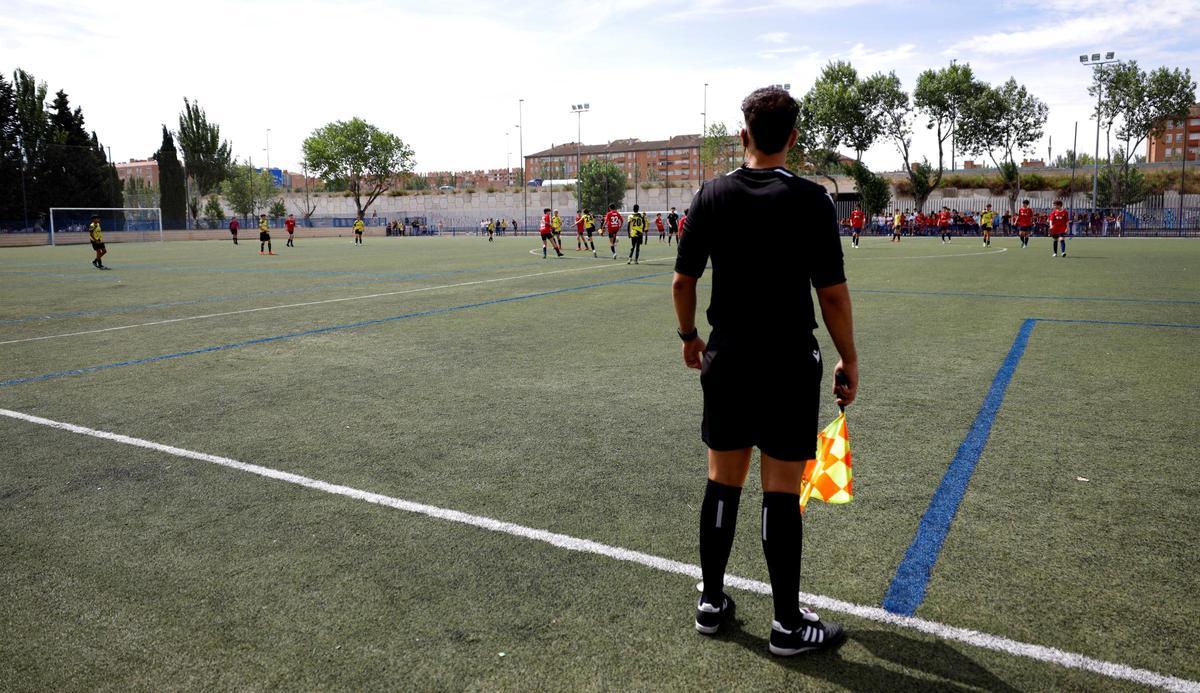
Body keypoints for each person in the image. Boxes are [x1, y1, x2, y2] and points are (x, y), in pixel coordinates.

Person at [672, 86, 855, 657]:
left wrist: (689, 337)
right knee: (779, 489)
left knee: (721, 481)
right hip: (786, 363)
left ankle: (711, 602)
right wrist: (850, 358)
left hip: (726, 358)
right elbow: (832, 295)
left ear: (744, 133)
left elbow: (683, 281)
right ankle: (786, 626)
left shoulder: (710, 194)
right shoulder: (812, 200)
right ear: (794, 139)